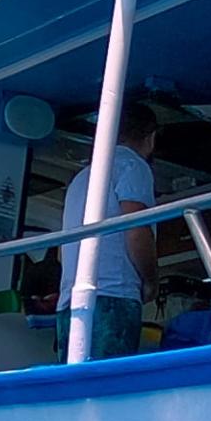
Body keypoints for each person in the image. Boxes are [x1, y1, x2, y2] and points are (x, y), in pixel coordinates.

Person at [71, 100, 161, 360]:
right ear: (151, 138)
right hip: (113, 295)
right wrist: (151, 281)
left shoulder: (82, 177)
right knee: (109, 377)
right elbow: (136, 228)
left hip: (71, 300)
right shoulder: (133, 166)